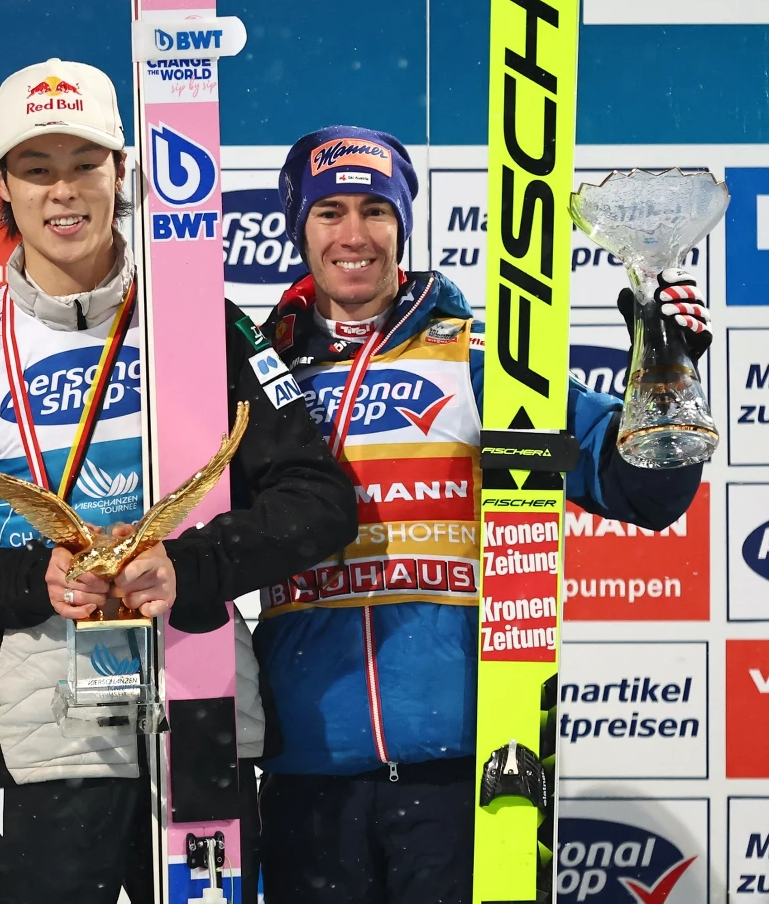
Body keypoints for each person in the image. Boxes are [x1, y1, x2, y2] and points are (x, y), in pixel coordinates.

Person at [0, 59, 359, 904]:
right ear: (0, 183)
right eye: (36, 168)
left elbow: (319, 500)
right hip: (50, 736)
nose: (63, 190)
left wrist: (193, 565)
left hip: (201, 705)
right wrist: (35, 580)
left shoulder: (205, 325)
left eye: (85, 163)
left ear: (121, 171)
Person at [254, 125, 711, 904]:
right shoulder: (260, 379)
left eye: (376, 210)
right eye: (330, 212)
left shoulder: (478, 361)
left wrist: (664, 374)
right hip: (308, 773)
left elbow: (641, 490)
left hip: (464, 771)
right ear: (300, 228)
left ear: (403, 225)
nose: (354, 235)